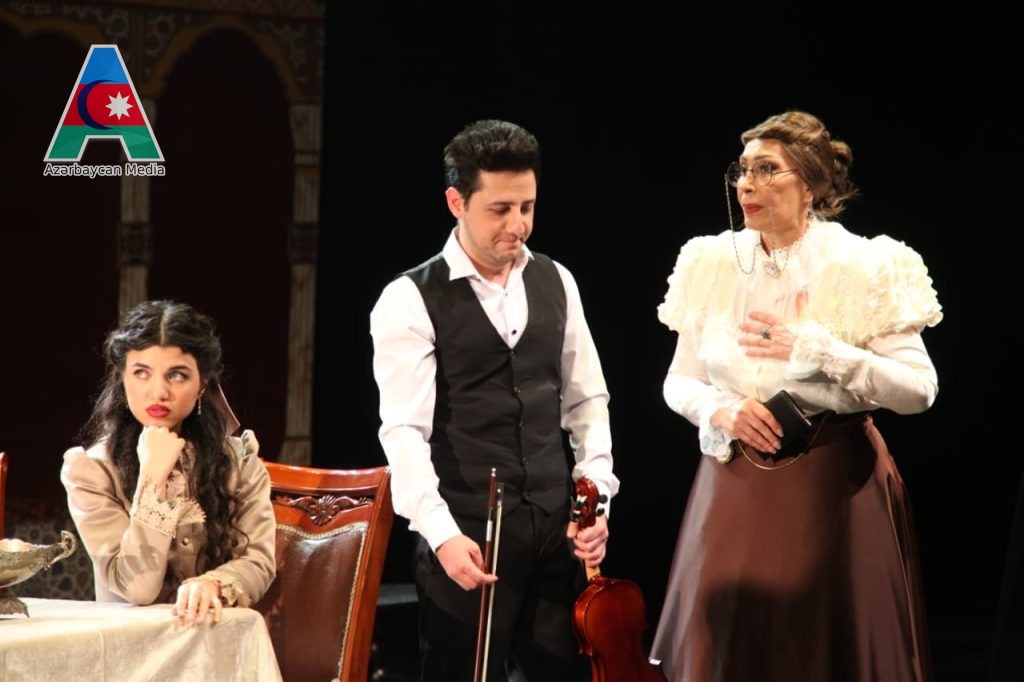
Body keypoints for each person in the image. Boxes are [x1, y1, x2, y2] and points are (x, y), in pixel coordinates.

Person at [649, 110, 942, 682]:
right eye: (742, 170)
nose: (747, 184)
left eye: (767, 170)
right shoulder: (711, 261)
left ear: (809, 185)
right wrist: (720, 409)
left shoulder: (865, 264)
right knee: (728, 651)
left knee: (821, 650)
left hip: (830, 484)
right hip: (734, 484)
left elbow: (919, 390)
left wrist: (822, 351)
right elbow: (678, 380)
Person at [370, 118, 619, 681]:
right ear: (456, 202)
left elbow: (587, 400)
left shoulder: (558, 280)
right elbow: (404, 431)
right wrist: (441, 535)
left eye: (527, 207)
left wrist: (596, 496)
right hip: (468, 530)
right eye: (500, 209)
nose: (518, 225)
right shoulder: (408, 299)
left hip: (555, 529)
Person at [61, 300, 276, 626]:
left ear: (202, 384)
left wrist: (213, 584)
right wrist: (152, 479)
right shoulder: (90, 471)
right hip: (130, 645)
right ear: (122, 379)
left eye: (177, 375)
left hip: (215, 636)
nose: (158, 392)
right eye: (141, 373)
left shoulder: (239, 462)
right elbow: (138, 589)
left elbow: (259, 560)